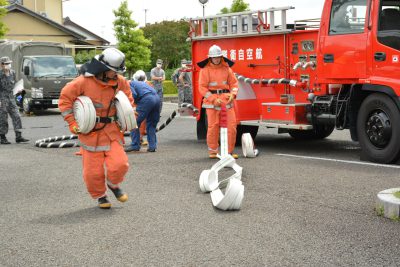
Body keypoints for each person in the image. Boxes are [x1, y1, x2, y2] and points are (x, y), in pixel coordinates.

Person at [58, 48, 134, 209]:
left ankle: (113, 184)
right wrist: (72, 123)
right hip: (90, 133)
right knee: (92, 173)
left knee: (120, 164)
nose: (116, 75)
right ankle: (101, 196)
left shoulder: (120, 82)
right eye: (114, 71)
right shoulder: (83, 82)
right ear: (103, 69)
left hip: (112, 132)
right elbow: (65, 100)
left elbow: (128, 101)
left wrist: (130, 116)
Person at [197, 45, 239, 159]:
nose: (216, 59)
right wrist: (213, 99)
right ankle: (213, 151)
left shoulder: (227, 69)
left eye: (218, 57)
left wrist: (233, 94)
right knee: (213, 127)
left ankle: (229, 152)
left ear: (221, 57)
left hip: (226, 100)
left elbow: (234, 84)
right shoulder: (205, 70)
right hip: (212, 103)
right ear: (210, 58)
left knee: (231, 127)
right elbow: (202, 88)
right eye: (214, 57)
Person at [125, 70, 160, 153]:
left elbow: (134, 95)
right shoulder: (144, 84)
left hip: (147, 99)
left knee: (134, 123)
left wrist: (130, 106)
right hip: (157, 98)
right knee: (151, 124)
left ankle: (135, 145)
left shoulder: (129, 84)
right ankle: (152, 146)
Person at [0, 56, 29, 144]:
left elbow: (16, 84)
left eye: (9, 63)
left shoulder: (13, 72)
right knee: (3, 118)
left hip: (11, 98)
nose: (8, 65)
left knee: (17, 115)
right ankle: (2, 137)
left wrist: (19, 91)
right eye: (6, 64)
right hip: (2, 98)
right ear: (1, 65)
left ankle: (18, 136)